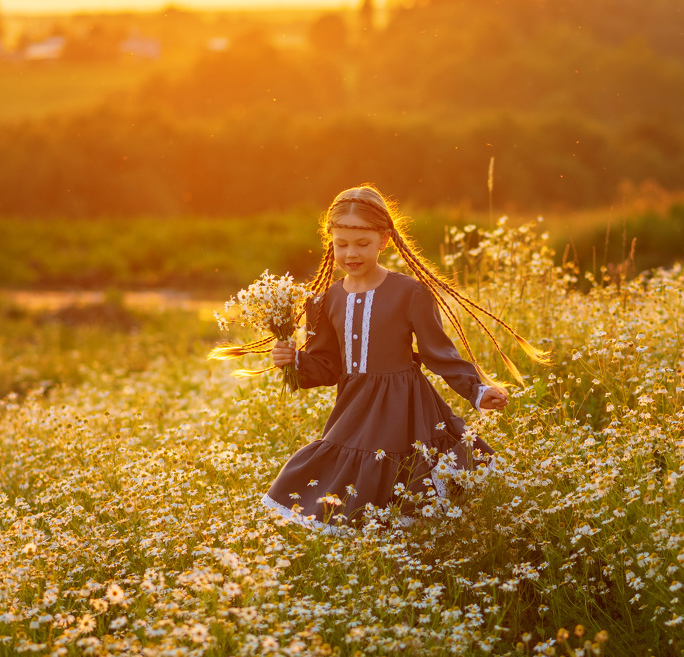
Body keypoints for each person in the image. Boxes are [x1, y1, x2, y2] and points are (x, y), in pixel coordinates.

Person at [212, 185, 546, 528]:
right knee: (352, 479)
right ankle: (364, 542)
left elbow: (439, 354)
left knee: (405, 477)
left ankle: (411, 540)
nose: (351, 253)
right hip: (354, 407)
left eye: (362, 243)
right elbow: (328, 367)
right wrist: (292, 360)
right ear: (331, 242)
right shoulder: (324, 301)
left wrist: (478, 390)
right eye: (342, 244)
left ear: (384, 239)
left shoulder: (410, 292)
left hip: (406, 406)